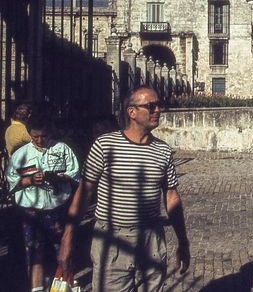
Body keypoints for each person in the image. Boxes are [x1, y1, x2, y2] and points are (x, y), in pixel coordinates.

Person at [58, 87, 190, 292]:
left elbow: (172, 197)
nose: (157, 110)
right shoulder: (105, 146)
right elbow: (84, 193)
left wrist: (183, 241)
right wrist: (67, 239)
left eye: (158, 105)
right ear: (132, 112)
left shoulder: (162, 151)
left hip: (151, 241)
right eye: (150, 106)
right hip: (113, 240)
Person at [5, 116, 80, 292]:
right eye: (35, 137)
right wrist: (30, 180)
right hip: (31, 211)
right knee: (34, 253)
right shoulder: (20, 155)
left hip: (57, 209)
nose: (40, 140)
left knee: (63, 251)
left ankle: (65, 286)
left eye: (44, 136)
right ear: (30, 134)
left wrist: (59, 177)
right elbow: (12, 184)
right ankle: (36, 288)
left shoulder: (62, 149)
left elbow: (75, 174)